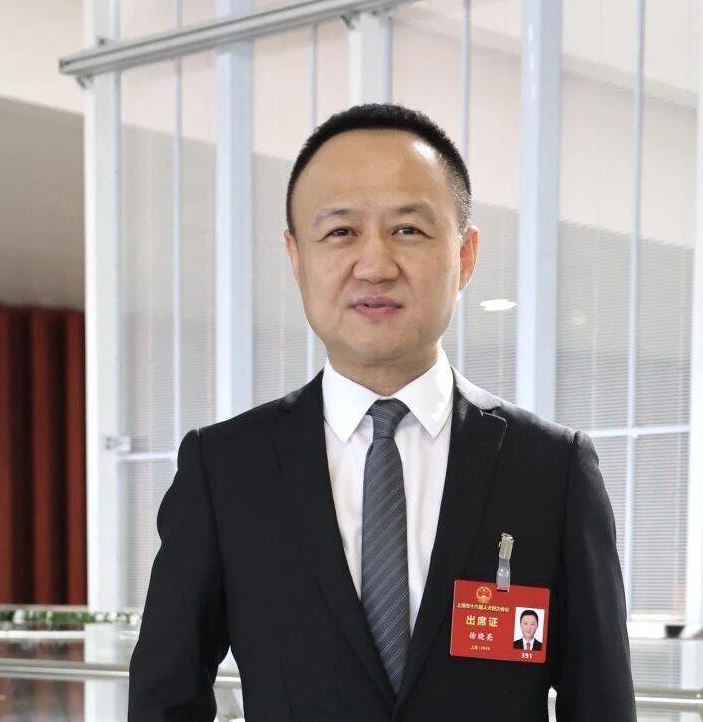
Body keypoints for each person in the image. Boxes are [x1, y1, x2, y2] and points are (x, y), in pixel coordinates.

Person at [126, 103, 635, 722]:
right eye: (341, 232)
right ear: (295, 256)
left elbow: (602, 704)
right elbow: (164, 700)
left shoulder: (552, 470)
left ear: (466, 255)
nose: (374, 266)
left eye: (408, 230)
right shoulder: (226, 469)